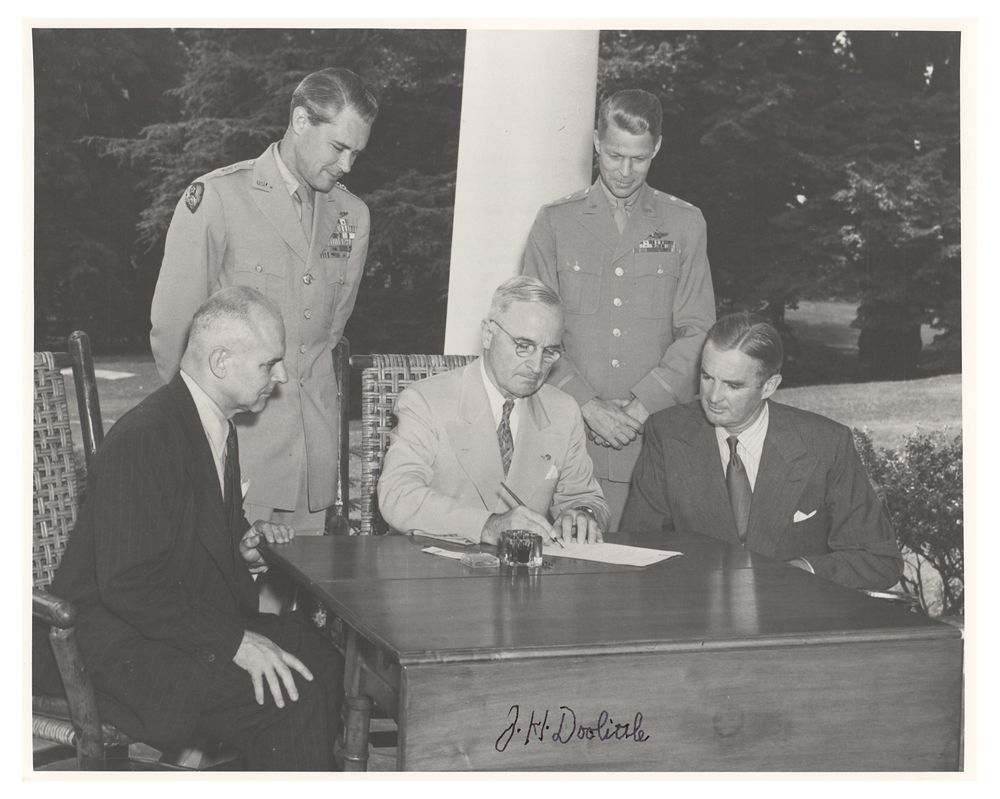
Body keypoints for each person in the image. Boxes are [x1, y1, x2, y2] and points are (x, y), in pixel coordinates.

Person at [42, 287, 341, 770]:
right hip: (113, 646)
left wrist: (243, 547)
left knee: (322, 659)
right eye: (269, 363)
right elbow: (128, 582)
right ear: (220, 361)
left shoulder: (212, 423)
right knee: (290, 697)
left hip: (165, 626)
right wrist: (237, 643)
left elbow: (186, 535)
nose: (283, 376)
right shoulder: (145, 436)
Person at [150, 67, 378, 533]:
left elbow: (329, 331)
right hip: (236, 452)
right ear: (300, 121)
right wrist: (196, 436)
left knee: (307, 581)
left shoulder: (352, 216)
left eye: (356, 152)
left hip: (311, 460)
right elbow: (174, 330)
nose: (347, 165)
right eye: (338, 147)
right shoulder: (218, 198)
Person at [522, 88, 716, 530]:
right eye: (614, 156)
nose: (625, 172)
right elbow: (533, 334)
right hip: (569, 438)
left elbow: (698, 330)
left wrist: (641, 408)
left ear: (657, 148)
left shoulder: (684, 223)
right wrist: (589, 406)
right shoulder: (555, 222)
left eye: (639, 159)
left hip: (655, 441)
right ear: (596, 141)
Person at [620, 312, 904, 590]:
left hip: (791, 613)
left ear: (769, 386)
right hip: (697, 609)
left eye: (733, 385)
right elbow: (636, 549)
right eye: (707, 377)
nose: (713, 397)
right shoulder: (667, 434)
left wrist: (802, 571)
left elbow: (878, 560)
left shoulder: (826, 444)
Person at [378, 276, 610, 545]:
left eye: (549, 352)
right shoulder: (425, 401)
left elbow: (586, 498)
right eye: (524, 346)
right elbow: (397, 495)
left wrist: (583, 514)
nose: (536, 367)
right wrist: (488, 526)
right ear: (488, 334)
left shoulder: (564, 411)